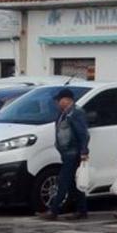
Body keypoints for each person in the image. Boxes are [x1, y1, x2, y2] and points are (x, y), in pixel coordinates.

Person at [38, 88, 90, 221]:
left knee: (63, 181)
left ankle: (54, 211)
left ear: (67, 100)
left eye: (59, 99)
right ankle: (81, 210)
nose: (57, 102)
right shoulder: (63, 113)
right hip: (66, 152)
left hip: (73, 153)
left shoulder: (76, 113)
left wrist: (84, 151)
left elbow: (83, 134)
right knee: (73, 183)